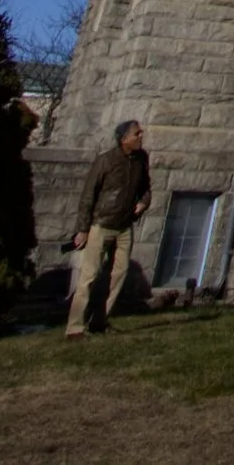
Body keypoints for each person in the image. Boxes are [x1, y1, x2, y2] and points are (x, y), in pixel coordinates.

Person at [65, 119, 151, 337]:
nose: (141, 136)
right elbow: (88, 197)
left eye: (140, 133)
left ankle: (100, 321)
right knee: (89, 276)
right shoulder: (106, 161)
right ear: (124, 140)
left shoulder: (141, 159)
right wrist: (83, 229)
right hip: (101, 224)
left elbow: (145, 188)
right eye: (136, 134)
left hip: (124, 226)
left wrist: (144, 202)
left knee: (119, 274)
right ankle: (74, 327)